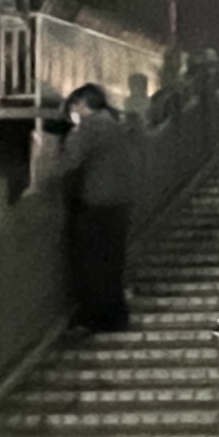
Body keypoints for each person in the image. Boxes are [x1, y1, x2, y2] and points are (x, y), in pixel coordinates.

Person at [45, 81, 137, 332]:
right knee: (112, 262)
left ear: (83, 104)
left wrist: (63, 141)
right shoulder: (113, 123)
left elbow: (69, 161)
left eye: (74, 106)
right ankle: (116, 316)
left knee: (93, 263)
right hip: (119, 202)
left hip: (98, 202)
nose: (73, 111)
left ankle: (96, 317)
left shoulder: (92, 125)